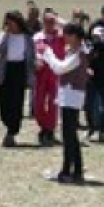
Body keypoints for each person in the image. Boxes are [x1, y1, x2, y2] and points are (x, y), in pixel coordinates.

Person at [37, 21, 90, 183]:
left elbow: (59, 68)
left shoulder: (78, 54)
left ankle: (67, 170)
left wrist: (47, 53)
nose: (64, 37)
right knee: (70, 135)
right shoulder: (76, 50)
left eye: (66, 34)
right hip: (69, 95)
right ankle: (75, 170)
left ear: (74, 36)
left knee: (68, 135)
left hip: (72, 96)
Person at [0, 11, 35, 147]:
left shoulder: (27, 38)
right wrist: (5, 34)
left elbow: (32, 55)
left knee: (16, 102)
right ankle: (8, 124)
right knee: (2, 101)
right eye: (7, 23)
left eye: (11, 23)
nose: (9, 25)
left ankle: (12, 131)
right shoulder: (5, 36)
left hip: (20, 70)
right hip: (6, 70)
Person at [31, 12, 65, 146]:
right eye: (47, 21)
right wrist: (36, 60)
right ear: (43, 22)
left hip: (56, 73)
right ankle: (44, 126)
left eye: (52, 21)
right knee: (38, 103)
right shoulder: (37, 37)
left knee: (53, 103)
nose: (50, 24)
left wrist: (60, 21)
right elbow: (32, 52)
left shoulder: (62, 36)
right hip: (40, 73)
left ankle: (49, 130)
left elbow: (73, 29)